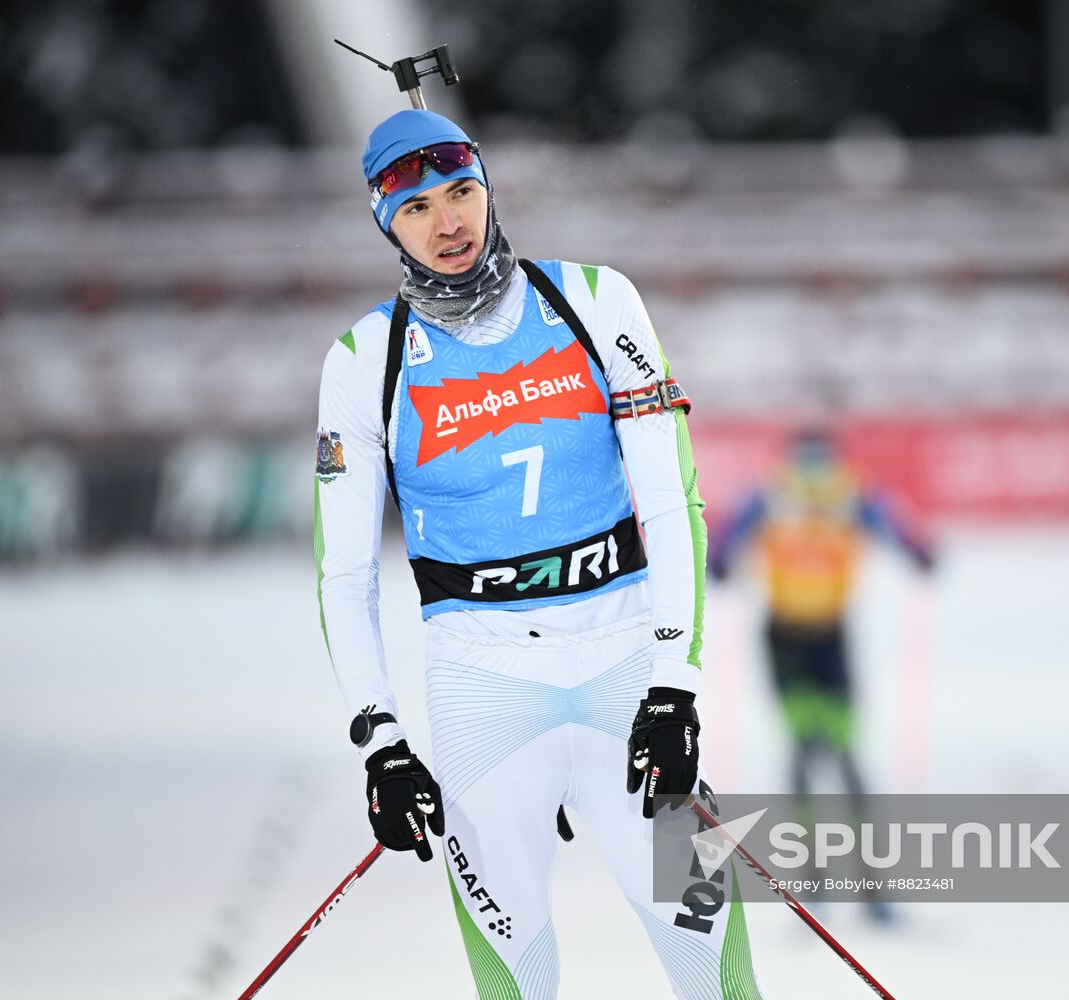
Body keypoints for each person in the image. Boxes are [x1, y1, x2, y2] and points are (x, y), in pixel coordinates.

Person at [314, 108, 763, 998]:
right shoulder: (366, 358)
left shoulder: (596, 301)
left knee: (715, 964)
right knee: (513, 973)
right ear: (384, 222)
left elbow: (673, 505)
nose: (447, 223)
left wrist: (676, 689)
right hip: (483, 684)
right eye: (415, 209)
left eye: (461, 193)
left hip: (627, 657)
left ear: (487, 188)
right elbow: (345, 574)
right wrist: (383, 743)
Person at [710, 428, 935, 920]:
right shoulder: (784, 495)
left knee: (838, 754)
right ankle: (821, 882)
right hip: (791, 641)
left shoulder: (837, 494)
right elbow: (723, 547)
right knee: (812, 750)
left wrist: (919, 553)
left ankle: (862, 886)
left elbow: (902, 535)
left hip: (825, 640)